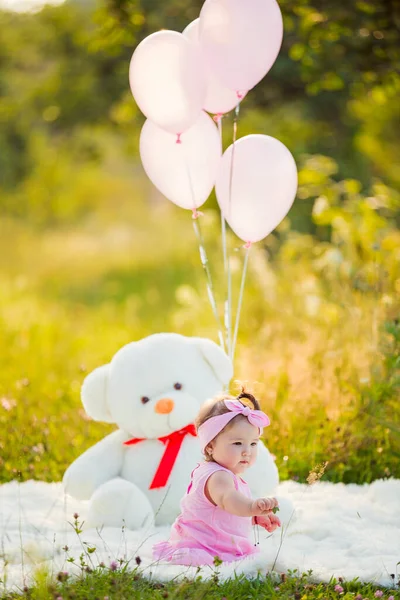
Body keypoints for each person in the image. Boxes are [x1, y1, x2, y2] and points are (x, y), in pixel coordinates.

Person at [153, 390, 281, 566]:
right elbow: (227, 499)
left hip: (211, 543)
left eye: (253, 443)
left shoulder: (223, 473)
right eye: (237, 443)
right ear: (210, 446)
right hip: (206, 549)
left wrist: (253, 516)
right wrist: (251, 506)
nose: (247, 451)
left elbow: (224, 514)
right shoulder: (218, 477)